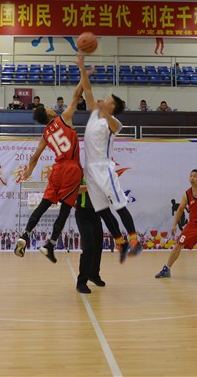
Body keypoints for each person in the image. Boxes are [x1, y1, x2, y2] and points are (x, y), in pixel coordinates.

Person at [77, 54, 142, 261]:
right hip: (90, 169)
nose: (103, 99)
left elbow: (115, 127)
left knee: (119, 204)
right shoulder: (94, 114)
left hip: (103, 168)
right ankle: (120, 242)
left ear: (112, 107)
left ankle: (134, 240)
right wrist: (82, 68)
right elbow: (87, 90)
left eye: (107, 100)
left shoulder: (112, 121)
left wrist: (105, 113)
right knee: (102, 209)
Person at [16, 77, 85, 263]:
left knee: (43, 205)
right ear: (48, 114)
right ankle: (50, 245)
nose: (51, 108)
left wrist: (28, 172)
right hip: (71, 168)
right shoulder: (64, 118)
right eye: (48, 108)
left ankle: (25, 234)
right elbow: (76, 95)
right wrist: (83, 76)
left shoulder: (45, 134)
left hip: (57, 170)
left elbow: (34, 157)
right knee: (65, 209)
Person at [74, 187, 105, 294]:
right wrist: (90, 185)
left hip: (96, 213)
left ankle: (94, 275)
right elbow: (75, 190)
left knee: (98, 245)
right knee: (88, 247)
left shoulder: (99, 176)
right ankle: (81, 282)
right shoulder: (80, 176)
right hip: (83, 213)